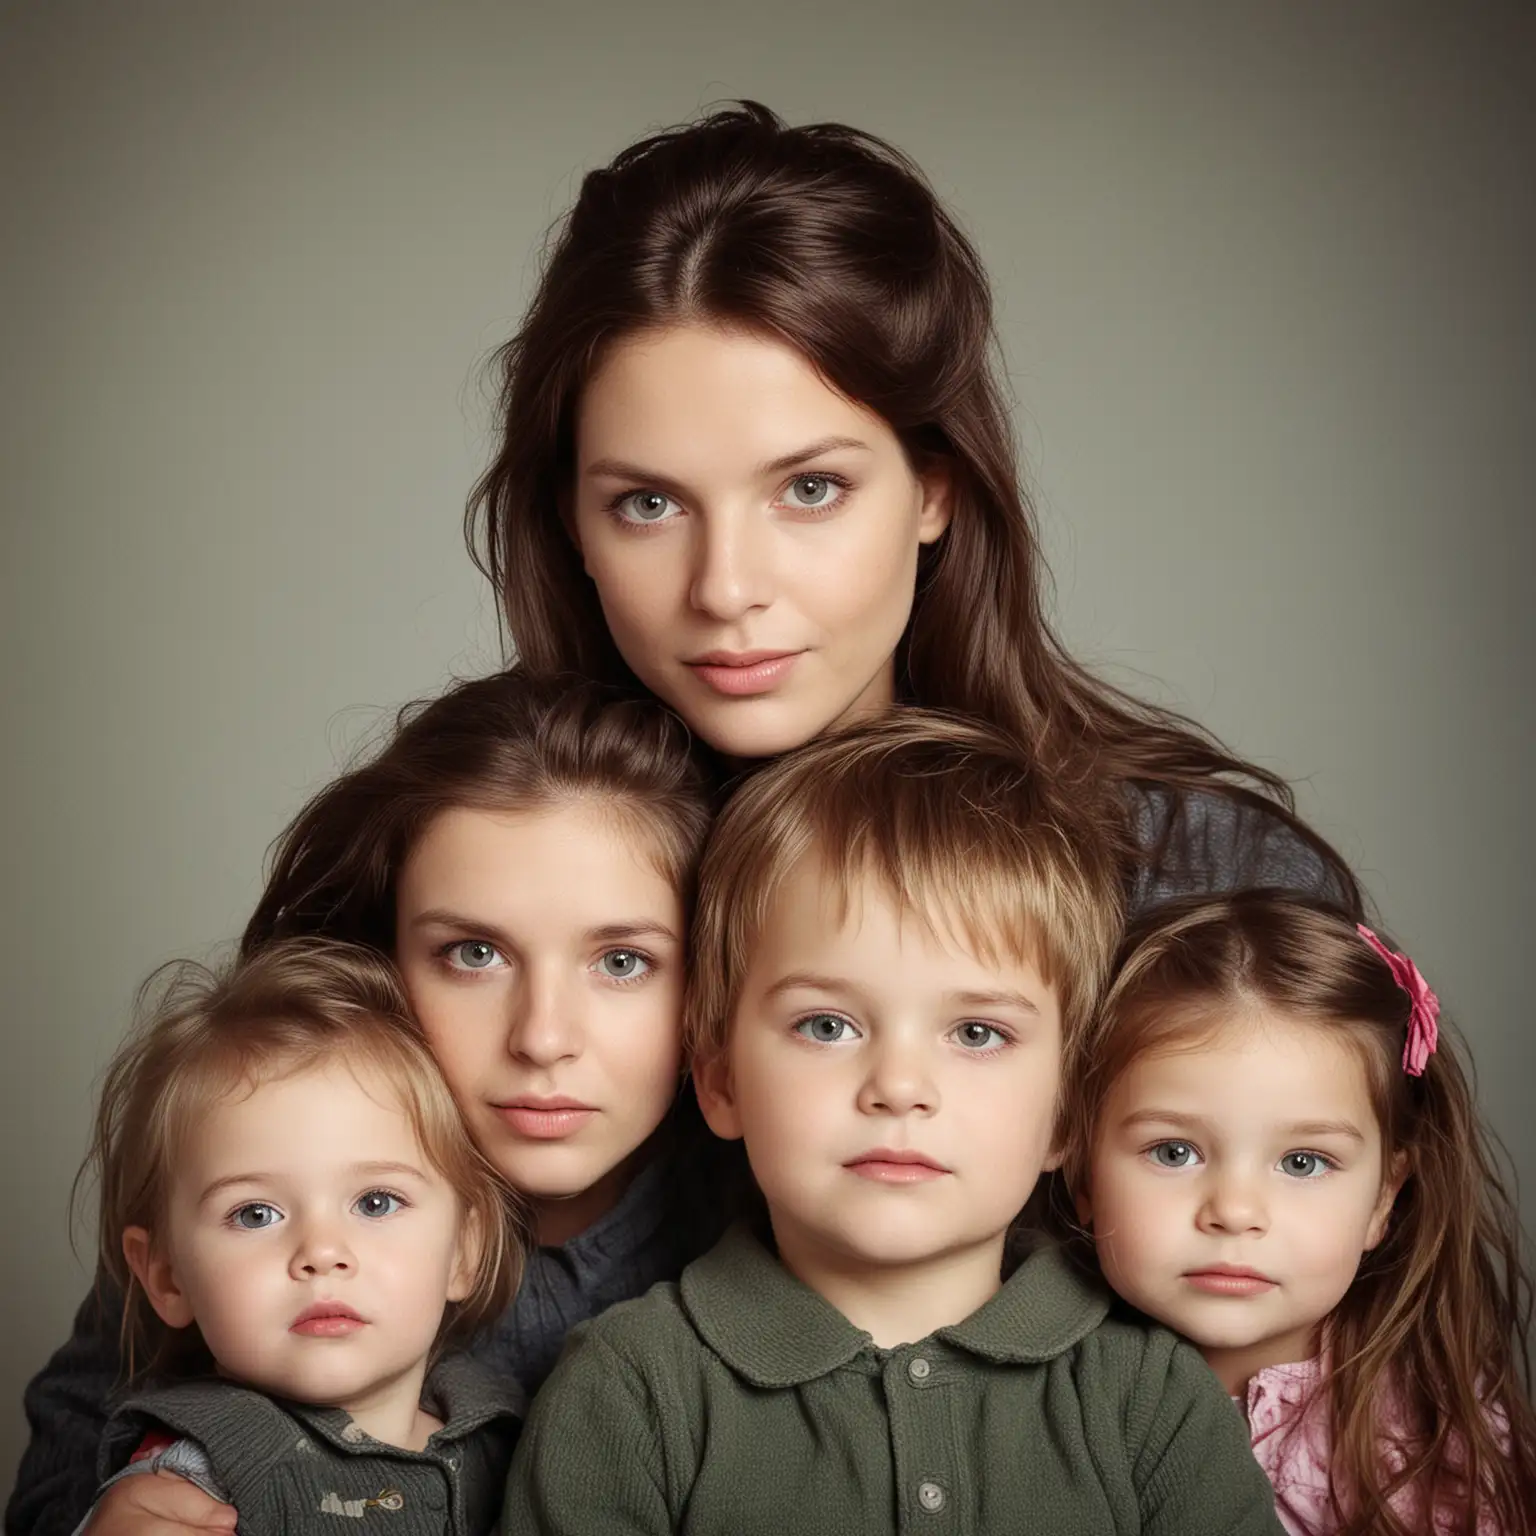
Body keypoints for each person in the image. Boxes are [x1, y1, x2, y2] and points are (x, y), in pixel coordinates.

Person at [466, 99, 1358, 916]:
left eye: (809, 490)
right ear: (572, 522)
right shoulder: (452, 882)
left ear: (935, 488)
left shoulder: (1196, 887)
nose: (727, 589)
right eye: (650, 503)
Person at [504, 713, 1288, 1534]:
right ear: (721, 1078)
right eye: (828, 1026)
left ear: (1067, 1109)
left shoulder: (1147, 1396)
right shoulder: (629, 1391)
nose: (899, 1088)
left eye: (977, 1033)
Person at [10, 672, 731, 1536]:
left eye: (621, 962)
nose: (543, 1037)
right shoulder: (239, 1186)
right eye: (473, 953)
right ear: (380, 958)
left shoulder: (764, 1215)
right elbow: (55, 1490)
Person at [1069, 891, 1536, 1533]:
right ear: (1081, 1170)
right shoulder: (1044, 1400)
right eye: (1174, 1152)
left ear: (1383, 1198)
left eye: (1303, 1163)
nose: (1235, 1213)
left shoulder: (1434, 1451)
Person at [74, 938, 523, 1536]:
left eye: (375, 1202)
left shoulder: (506, 1427)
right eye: (255, 1214)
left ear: (464, 1250)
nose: (321, 1253)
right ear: (165, 1275)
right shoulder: (191, 1483)